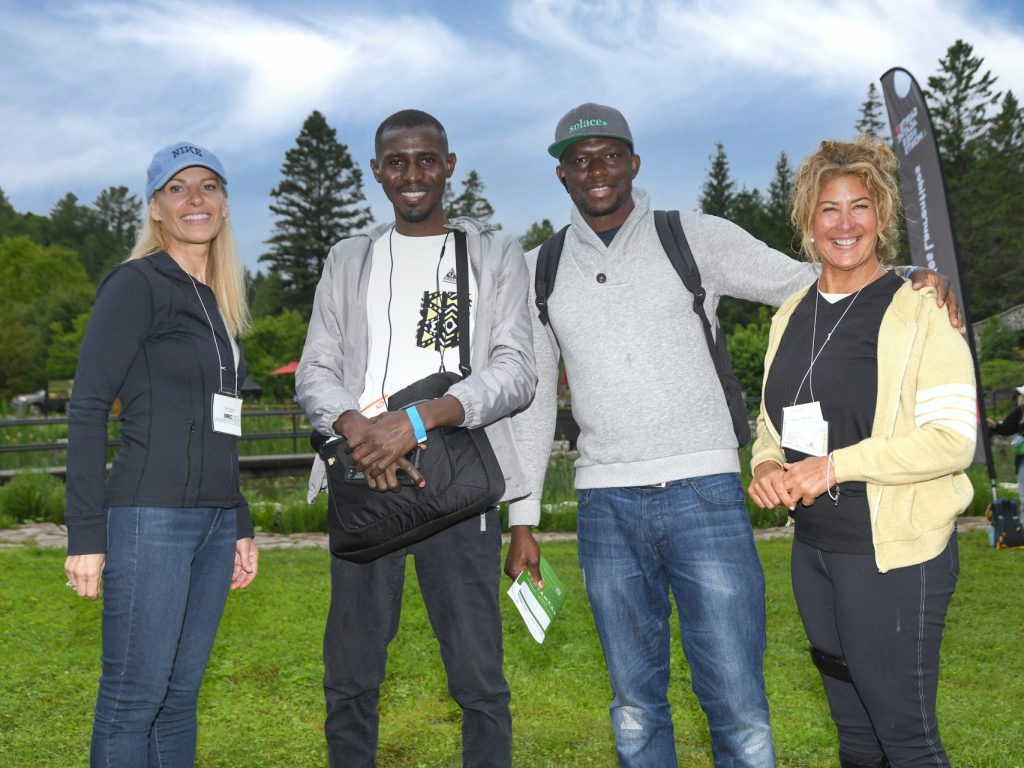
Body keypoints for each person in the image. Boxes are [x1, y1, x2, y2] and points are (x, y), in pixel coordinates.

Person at [508, 103, 961, 768]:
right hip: (604, 504)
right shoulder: (536, 270)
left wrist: (909, 281)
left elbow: (811, 278)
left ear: (634, 163)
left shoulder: (692, 238)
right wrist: (522, 518)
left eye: (609, 155)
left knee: (739, 708)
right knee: (634, 708)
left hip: (707, 498)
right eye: (579, 160)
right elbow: (532, 401)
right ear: (562, 175)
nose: (595, 170)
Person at [295, 109, 539, 768]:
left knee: (478, 679)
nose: (412, 174)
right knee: (350, 676)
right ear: (376, 171)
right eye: (396, 161)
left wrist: (419, 420)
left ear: (448, 165)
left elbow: (517, 372)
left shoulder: (494, 253)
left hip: (455, 476)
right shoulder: (350, 258)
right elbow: (316, 368)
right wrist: (358, 430)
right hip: (364, 474)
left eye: (426, 159)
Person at [748, 135, 976, 768]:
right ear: (807, 220)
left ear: (882, 218)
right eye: (829, 208)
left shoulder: (921, 306)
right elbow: (773, 425)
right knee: (854, 740)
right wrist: (767, 465)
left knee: (905, 740)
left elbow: (952, 441)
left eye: (860, 207)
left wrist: (833, 467)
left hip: (895, 558)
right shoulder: (789, 314)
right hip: (816, 555)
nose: (844, 223)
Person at [63, 141, 259, 767]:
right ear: (154, 209)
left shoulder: (219, 304)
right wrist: (86, 535)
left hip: (213, 521)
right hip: (150, 520)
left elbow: (221, 424)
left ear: (224, 206)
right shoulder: (136, 285)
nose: (194, 198)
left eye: (207, 186)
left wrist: (241, 520)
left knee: (178, 700)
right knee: (132, 700)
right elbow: (88, 406)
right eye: (176, 188)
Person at [986, 385, 1024, 503]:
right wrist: (994, 425)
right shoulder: (1019, 412)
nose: (1021, 397)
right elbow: (1006, 429)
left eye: (1023, 395)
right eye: (1021, 395)